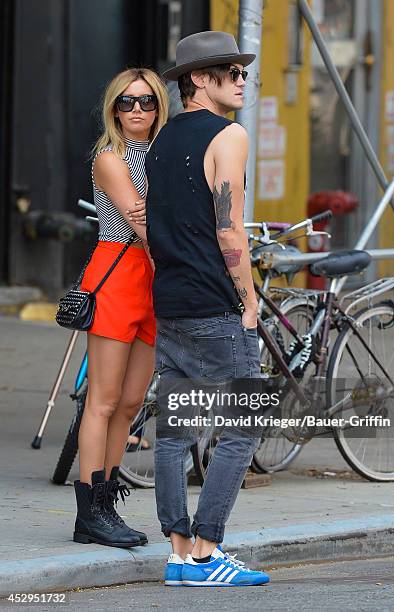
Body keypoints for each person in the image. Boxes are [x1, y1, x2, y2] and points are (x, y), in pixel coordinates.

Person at [140, 31, 270, 586]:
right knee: (243, 425)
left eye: (243, 71)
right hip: (216, 301)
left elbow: (149, 222)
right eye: (230, 71)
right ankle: (206, 551)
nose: (242, 80)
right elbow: (229, 229)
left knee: (175, 431)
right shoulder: (230, 135)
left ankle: (177, 554)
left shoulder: (163, 140)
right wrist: (249, 300)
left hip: (171, 300)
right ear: (199, 79)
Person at [73, 68, 169, 548]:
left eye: (146, 102)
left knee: (131, 403)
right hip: (120, 269)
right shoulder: (109, 158)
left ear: (159, 107)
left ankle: (107, 501)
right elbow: (141, 218)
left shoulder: (166, 154)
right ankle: (89, 511)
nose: (136, 110)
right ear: (114, 108)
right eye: (127, 102)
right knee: (104, 400)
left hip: (157, 277)